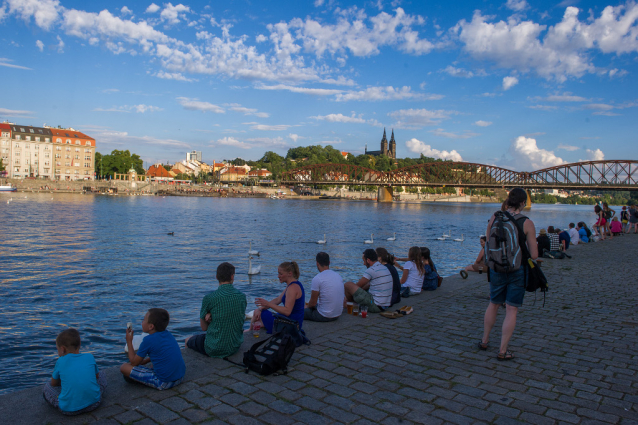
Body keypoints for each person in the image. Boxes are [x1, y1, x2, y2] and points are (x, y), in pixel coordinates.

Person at [479, 187, 538, 361]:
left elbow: (488, 242)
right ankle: (502, 350)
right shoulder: (527, 222)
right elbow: (534, 255)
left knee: (493, 304)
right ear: (523, 202)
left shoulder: (495, 217)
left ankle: (484, 341)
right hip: (517, 269)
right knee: (511, 309)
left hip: (496, 267)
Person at [185, 262, 247, 358]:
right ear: (232, 276)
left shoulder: (209, 298)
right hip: (234, 346)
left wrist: (210, 317)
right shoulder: (242, 297)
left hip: (214, 348)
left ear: (216, 277)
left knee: (188, 340)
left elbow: (204, 328)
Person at [43, 329, 107, 415]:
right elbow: (96, 376)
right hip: (95, 403)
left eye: (57, 349)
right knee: (102, 374)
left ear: (62, 349)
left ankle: (70, 400)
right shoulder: (89, 356)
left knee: (47, 387)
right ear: (79, 345)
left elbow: (53, 384)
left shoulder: (60, 361)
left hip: (69, 410)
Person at [120, 308, 185, 390]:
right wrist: (146, 361)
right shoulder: (168, 334)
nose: (142, 322)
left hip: (164, 382)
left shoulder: (148, 340)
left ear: (151, 326)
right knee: (152, 365)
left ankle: (141, 380)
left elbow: (133, 362)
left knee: (124, 367)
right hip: (180, 377)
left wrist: (129, 341)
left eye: (144, 320)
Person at [252, 262, 305, 333]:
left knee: (257, 313)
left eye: (281, 274)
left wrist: (268, 304)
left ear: (290, 273)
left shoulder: (292, 288)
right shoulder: (293, 284)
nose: (278, 276)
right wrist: (261, 308)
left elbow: (287, 311)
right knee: (259, 311)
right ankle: (260, 325)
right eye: (278, 273)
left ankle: (250, 330)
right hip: (292, 321)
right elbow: (278, 299)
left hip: (291, 324)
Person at [344, 249, 393, 313]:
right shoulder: (383, 267)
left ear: (368, 260)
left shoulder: (371, 270)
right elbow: (366, 285)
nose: (364, 264)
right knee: (366, 286)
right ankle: (351, 303)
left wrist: (347, 297)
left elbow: (357, 286)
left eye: (364, 261)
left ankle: (351, 303)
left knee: (348, 285)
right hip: (385, 305)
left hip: (376, 305)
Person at [304, 252, 344, 322]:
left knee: (299, 311)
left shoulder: (317, 278)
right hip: (337, 314)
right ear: (329, 262)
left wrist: (306, 307)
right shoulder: (338, 276)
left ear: (317, 263)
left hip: (324, 315)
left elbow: (313, 303)